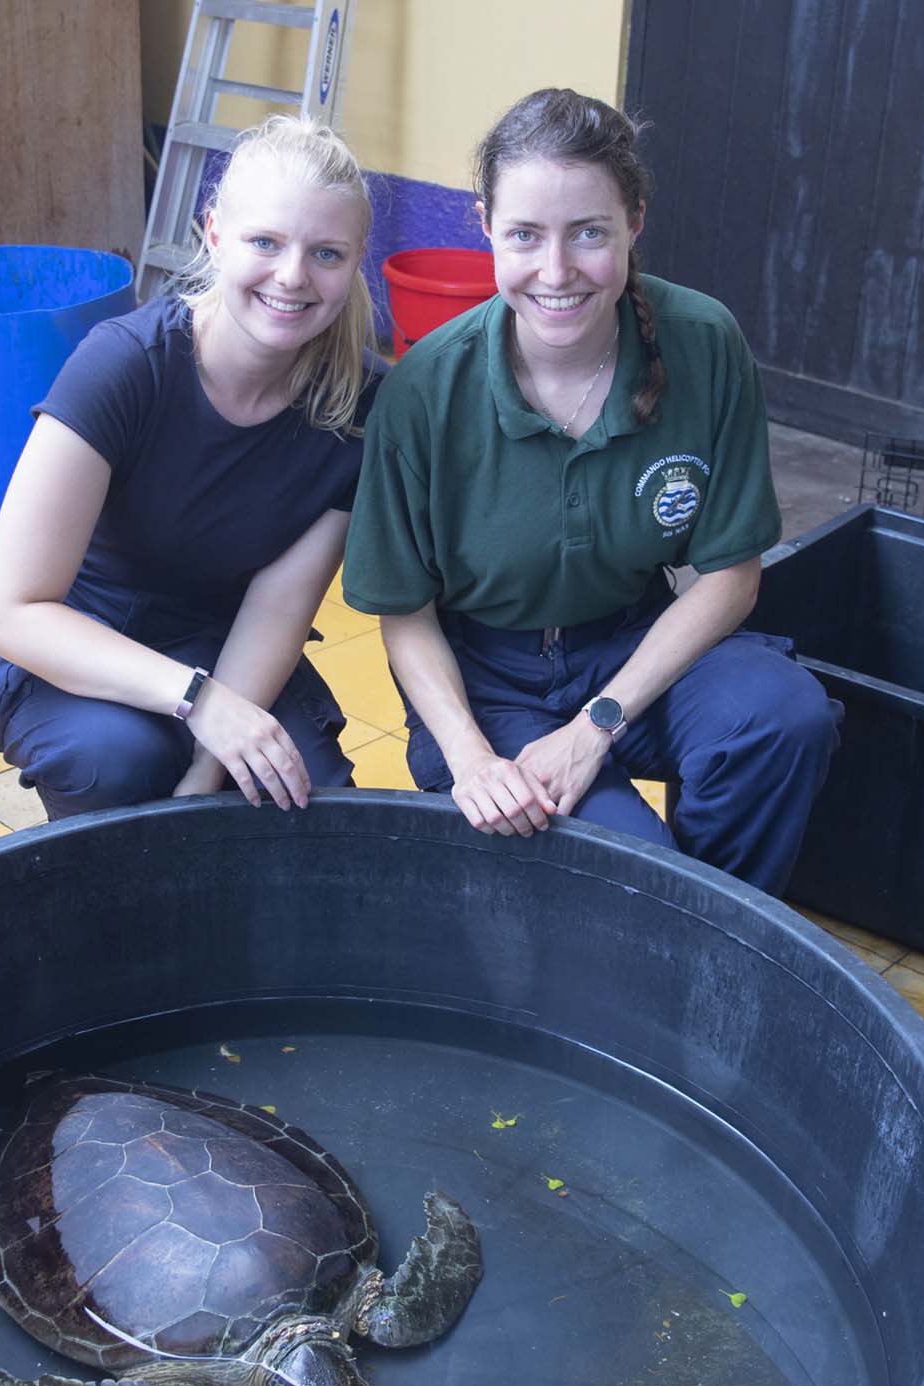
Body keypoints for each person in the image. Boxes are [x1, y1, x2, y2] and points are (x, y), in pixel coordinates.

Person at [342, 88, 841, 895]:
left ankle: (725, 943)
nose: (556, 271)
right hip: (487, 678)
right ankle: (663, 933)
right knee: (627, 870)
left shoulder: (704, 345)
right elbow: (402, 611)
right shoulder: (425, 390)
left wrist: (596, 724)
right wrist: (472, 758)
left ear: (635, 221)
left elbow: (731, 573)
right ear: (484, 229)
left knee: (780, 719)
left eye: (589, 233)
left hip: (632, 644)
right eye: (525, 236)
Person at [0, 114, 379, 821]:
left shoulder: (358, 404)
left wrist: (210, 765)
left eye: (326, 253)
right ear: (214, 235)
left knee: (304, 794)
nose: (293, 277)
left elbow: (277, 604)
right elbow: (10, 609)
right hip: (72, 627)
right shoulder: (125, 366)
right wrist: (200, 701)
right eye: (264, 242)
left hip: (217, 633)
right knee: (116, 761)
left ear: (357, 256)